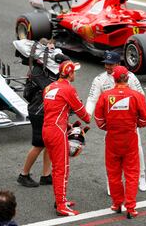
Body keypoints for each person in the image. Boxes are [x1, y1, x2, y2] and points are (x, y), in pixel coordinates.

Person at [86, 51, 146, 193]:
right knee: (111, 155)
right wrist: (87, 115)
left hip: (129, 123)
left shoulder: (130, 77)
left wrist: (138, 120)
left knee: (137, 149)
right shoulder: (99, 80)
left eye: (111, 64)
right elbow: (92, 99)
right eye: (106, 64)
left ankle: (141, 176)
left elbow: (141, 97)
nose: (108, 66)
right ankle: (111, 182)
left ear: (118, 64)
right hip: (112, 124)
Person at [94, 66, 146, 219]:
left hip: (112, 139)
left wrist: (110, 128)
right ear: (128, 78)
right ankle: (130, 207)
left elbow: (99, 120)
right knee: (132, 174)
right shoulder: (136, 95)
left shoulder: (105, 96)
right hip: (130, 139)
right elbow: (144, 119)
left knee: (113, 173)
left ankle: (117, 203)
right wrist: (135, 124)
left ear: (114, 78)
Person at [17, 38, 69, 188]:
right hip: (38, 111)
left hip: (47, 110)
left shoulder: (50, 68)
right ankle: (23, 174)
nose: (53, 53)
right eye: (50, 50)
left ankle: (46, 175)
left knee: (48, 144)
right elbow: (52, 88)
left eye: (53, 49)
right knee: (39, 144)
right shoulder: (38, 71)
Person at [42, 60, 90, 216]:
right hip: (56, 132)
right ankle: (61, 204)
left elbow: (54, 112)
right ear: (69, 73)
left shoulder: (49, 87)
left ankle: (60, 199)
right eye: (74, 71)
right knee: (61, 168)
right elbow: (84, 115)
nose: (74, 74)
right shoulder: (68, 89)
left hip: (48, 129)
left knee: (59, 167)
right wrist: (88, 117)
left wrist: (67, 125)